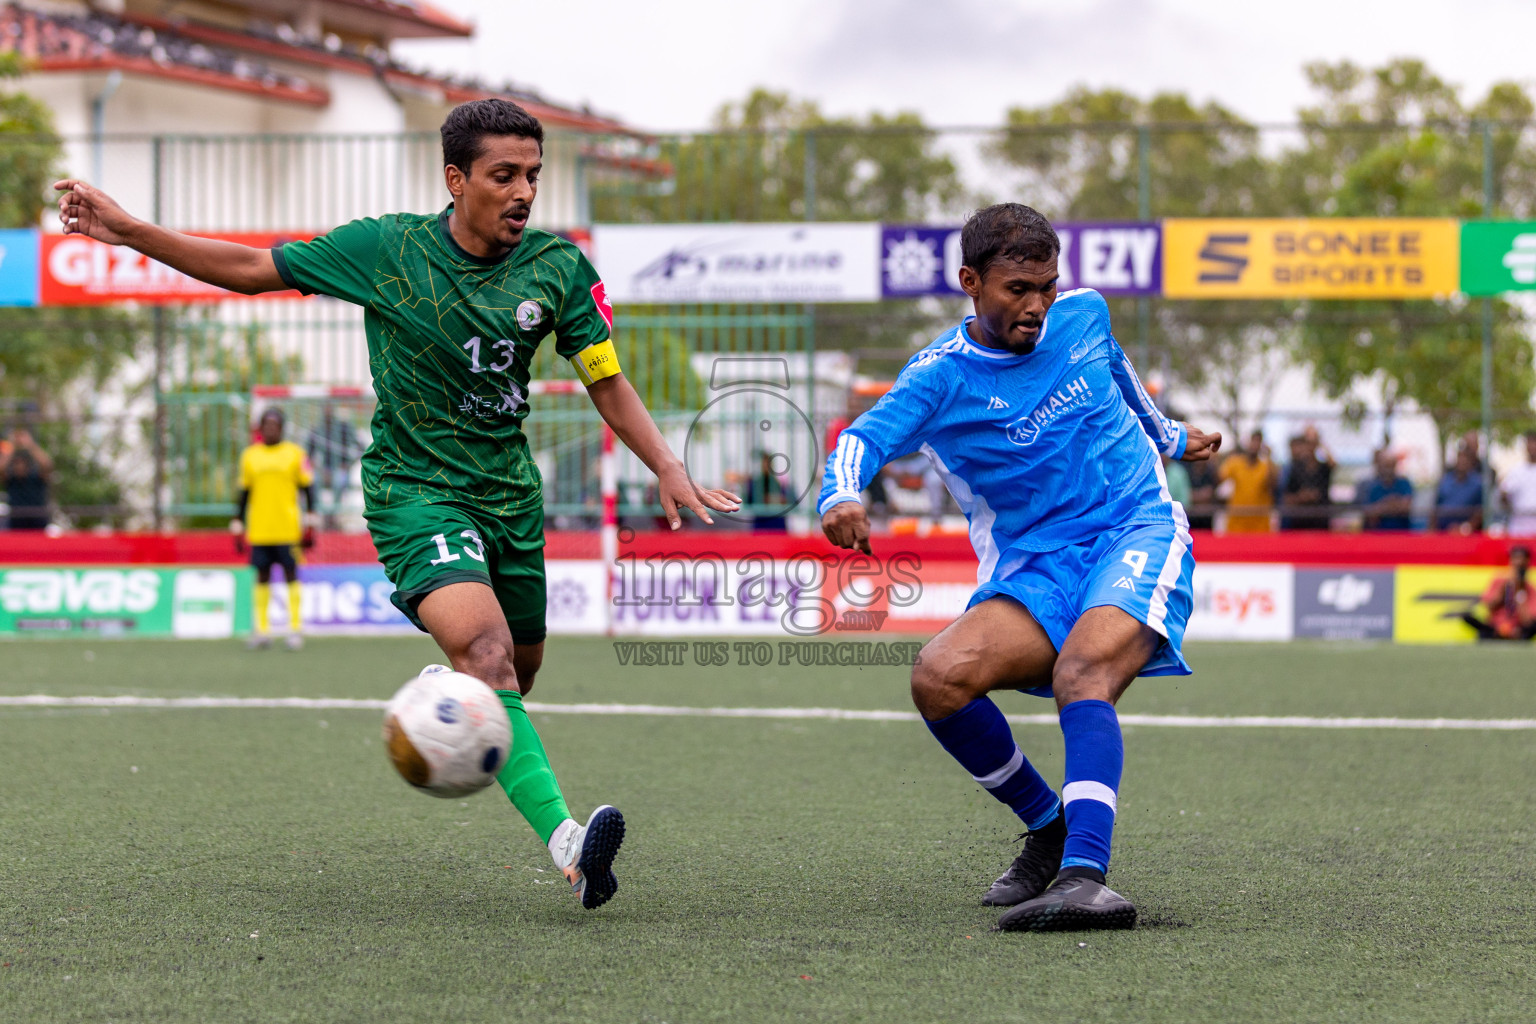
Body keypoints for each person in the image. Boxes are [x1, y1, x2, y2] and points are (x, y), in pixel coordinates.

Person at [56, 98, 739, 911]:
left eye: (533, 176)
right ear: (456, 180)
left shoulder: (558, 269)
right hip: (415, 491)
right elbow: (249, 269)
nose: (523, 192)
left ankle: (449, 681)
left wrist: (664, 461)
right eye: (503, 176)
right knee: (486, 657)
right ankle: (570, 846)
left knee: (514, 675)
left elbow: (605, 377)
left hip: (509, 498)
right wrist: (131, 230)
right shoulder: (387, 251)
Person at [820, 203, 1221, 932]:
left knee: (1083, 673)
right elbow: (860, 440)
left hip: (1135, 528)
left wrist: (1167, 435)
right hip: (1035, 566)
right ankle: (1049, 828)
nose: (1037, 303)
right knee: (939, 678)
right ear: (971, 282)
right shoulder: (939, 378)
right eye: (1017, 289)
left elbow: (1121, 377)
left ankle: (1085, 876)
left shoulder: (1084, 314)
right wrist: (841, 493)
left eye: (1047, 285)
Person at [234, 408, 317, 651]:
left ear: (282, 428)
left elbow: (308, 489)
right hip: (259, 529)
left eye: (275, 425)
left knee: (291, 575)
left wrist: (310, 522)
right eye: (266, 425)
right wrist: (238, 523)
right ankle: (262, 631)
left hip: (288, 529)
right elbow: (244, 493)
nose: (270, 429)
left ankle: (294, 629)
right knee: (262, 577)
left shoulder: (295, 454)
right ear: (260, 429)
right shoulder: (250, 456)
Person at [1460, 545, 1535, 641]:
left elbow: (1528, 621)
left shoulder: (1529, 588)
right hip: (1495, 627)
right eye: (1515, 559)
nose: (1518, 563)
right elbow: (1490, 606)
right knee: (1468, 617)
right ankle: (1496, 634)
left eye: (1522, 560)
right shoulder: (1499, 580)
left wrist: (1520, 592)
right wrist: (1505, 586)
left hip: (1517, 630)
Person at [306, 405, 364, 528]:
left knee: (339, 480)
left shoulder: (343, 428)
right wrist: (316, 467)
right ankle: (320, 513)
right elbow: (307, 454)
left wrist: (347, 465)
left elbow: (360, 447)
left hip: (340, 468)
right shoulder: (317, 429)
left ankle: (334, 515)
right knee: (313, 480)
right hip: (323, 469)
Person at [1218, 430, 1277, 534]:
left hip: (1260, 522)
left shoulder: (1266, 466)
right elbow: (1220, 477)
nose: (1254, 445)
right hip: (1237, 521)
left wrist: (1269, 457)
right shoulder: (1235, 463)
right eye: (1252, 441)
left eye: (1258, 441)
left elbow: (1273, 484)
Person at [1280, 428, 1333, 531]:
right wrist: (1302, 497)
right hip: (1300, 523)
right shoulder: (1296, 468)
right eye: (1308, 442)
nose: (1311, 446)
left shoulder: (1323, 467)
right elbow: (1287, 498)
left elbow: (1333, 463)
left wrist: (1321, 445)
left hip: (1321, 523)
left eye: (1314, 442)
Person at [2, 430, 53, 530]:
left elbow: (47, 464)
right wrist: (11, 446)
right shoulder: (11, 480)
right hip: (16, 520)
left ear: (28, 465)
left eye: (22, 463)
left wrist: (30, 444)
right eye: (16, 463)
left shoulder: (36, 478)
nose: (19, 466)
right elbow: (1, 468)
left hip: (38, 519)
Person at [1358, 449, 1414, 531]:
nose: (1388, 469)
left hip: (1401, 533)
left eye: (1391, 465)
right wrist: (1393, 504)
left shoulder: (1404, 483)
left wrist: (1381, 507)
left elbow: (1406, 507)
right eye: (1385, 465)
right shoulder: (1370, 486)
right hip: (1378, 535)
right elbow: (1369, 514)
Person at [1432, 447, 1484, 533]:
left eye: (1465, 459)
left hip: (1465, 533)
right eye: (1460, 458)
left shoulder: (1477, 484)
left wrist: (1464, 528)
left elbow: (1480, 511)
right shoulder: (1445, 481)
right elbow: (1436, 507)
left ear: (1470, 462)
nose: (1462, 462)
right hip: (1442, 531)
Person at [743, 451, 790, 531]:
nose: (766, 465)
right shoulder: (755, 482)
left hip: (778, 523)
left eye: (768, 462)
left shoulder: (778, 482)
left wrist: (775, 500)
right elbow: (747, 501)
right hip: (761, 523)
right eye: (764, 463)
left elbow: (788, 500)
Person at [1501, 432, 1536, 536]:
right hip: (1519, 525)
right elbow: (1504, 494)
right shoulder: (1516, 471)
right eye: (1529, 443)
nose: (1532, 447)